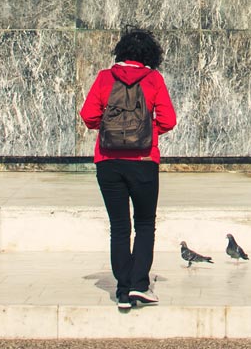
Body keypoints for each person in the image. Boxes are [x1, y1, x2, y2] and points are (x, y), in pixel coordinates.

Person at [79, 27, 177, 311]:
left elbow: (88, 116)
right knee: (145, 224)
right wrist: (147, 132)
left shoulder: (104, 78)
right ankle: (139, 286)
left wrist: (112, 130)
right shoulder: (153, 79)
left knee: (120, 227)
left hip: (108, 162)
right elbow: (169, 120)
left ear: (120, 52)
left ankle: (122, 291)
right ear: (150, 55)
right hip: (145, 162)